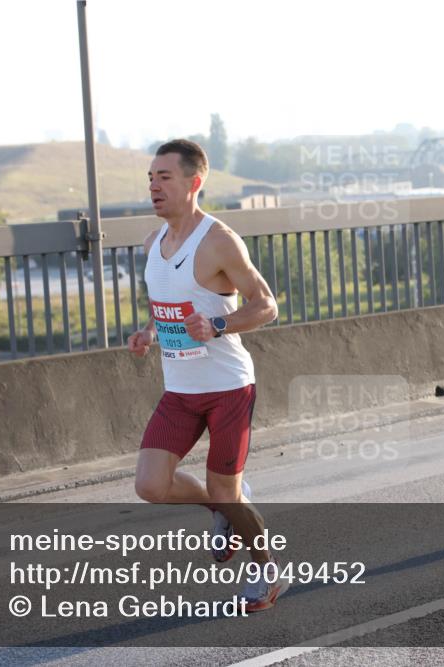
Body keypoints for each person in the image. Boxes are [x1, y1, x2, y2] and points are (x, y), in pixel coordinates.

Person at [127, 139, 287, 611]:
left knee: (226, 487)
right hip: (179, 388)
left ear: (194, 183)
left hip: (227, 388)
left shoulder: (219, 240)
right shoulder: (151, 243)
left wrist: (218, 324)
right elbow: (169, 304)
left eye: (165, 177)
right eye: (151, 178)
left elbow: (267, 306)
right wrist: (150, 331)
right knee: (151, 485)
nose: (154, 186)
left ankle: (267, 570)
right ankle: (220, 507)